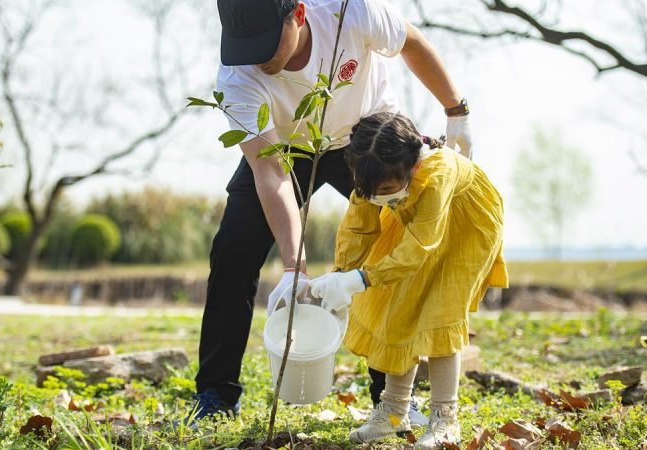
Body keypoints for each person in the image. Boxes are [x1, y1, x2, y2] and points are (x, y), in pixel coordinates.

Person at [193, 0, 473, 426]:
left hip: (368, 138)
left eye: (266, 43)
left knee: (392, 251)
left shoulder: (349, 11)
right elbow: (271, 174)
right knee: (233, 250)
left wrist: (456, 112)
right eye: (244, 46)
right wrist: (294, 267)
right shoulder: (236, 77)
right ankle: (216, 395)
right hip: (283, 147)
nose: (258, 57)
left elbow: (411, 42)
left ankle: (394, 398)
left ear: (299, 14)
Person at [309, 112, 508, 448]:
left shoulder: (437, 173)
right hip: (414, 221)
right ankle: (394, 412)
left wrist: (362, 278)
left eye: (385, 189)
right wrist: (343, 274)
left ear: (413, 166)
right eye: (369, 190)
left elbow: (419, 246)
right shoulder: (372, 177)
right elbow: (359, 227)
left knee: (441, 313)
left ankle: (446, 420)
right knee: (397, 304)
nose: (376, 196)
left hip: (466, 227)